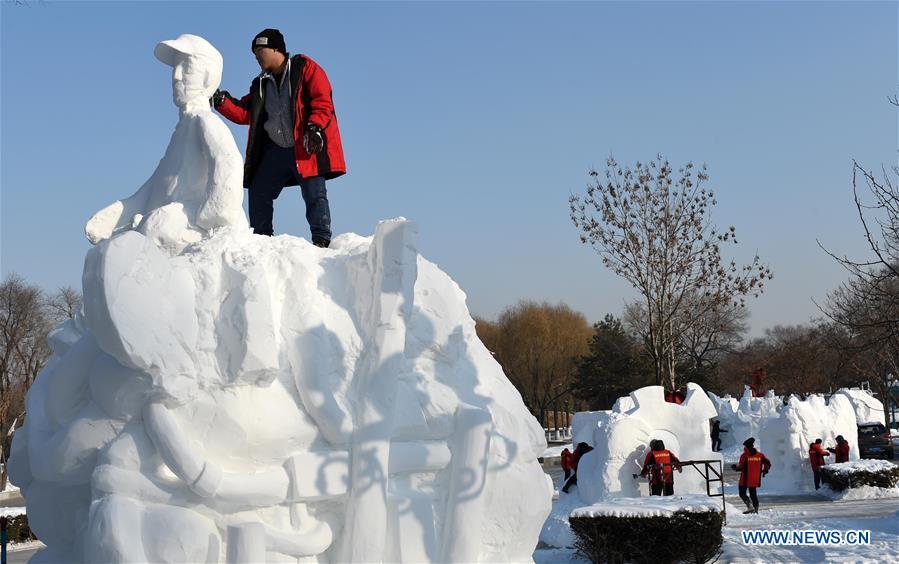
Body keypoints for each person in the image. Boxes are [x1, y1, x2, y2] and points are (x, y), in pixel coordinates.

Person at [213, 28, 346, 246]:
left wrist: (315, 128)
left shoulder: (305, 67)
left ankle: (321, 240)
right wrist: (221, 101)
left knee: (314, 192)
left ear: (276, 49)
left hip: (304, 145)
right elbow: (246, 112)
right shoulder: (261, 84)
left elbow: (322, 100)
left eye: (260, 50)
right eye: (254, 53)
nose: (256, 56)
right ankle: (262, 240)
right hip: (276, 151)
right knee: (258, 189)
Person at [731, 437, 771, 514]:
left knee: (742, 493)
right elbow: (768, 463)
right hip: (755, 478)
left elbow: (741, 467)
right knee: (753, 494)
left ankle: (750, 507)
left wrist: (735, 467)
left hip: (745, 479)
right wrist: (765, 470)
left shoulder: (744, 456)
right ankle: (756, 510)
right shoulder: (760, 455)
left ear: (746, 446)